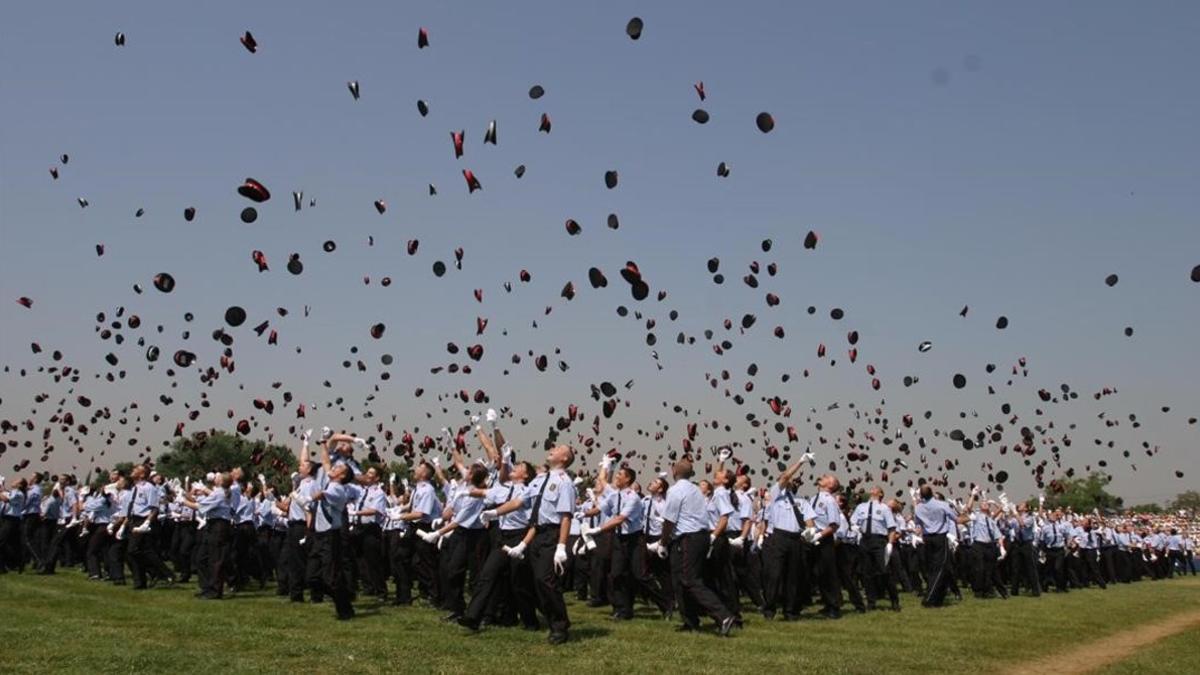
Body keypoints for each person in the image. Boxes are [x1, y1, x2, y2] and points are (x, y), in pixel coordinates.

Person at [479, 444, 577, 644]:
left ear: (565, 458)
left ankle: (560, 625)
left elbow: (566, 516)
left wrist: (561, 546)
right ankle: (545, 619)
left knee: (545, 580)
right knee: (532, 581)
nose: (553, 448)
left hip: (552, 534)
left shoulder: (564, 482)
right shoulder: (540, 480)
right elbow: (518, 502)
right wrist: (495, 512)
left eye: (559, 449)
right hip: (536, 533)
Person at [657, 456, 736, 636]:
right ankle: (690, 621)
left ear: (674, 472)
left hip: (687, 539)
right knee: (679, 581)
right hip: (699, 536)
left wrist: (663, 542)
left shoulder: (676, 491)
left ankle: (722, 615)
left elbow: (669, 520)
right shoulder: (695, 490)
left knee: (690, 580)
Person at [307, 433, 356, 619]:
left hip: (329, 536)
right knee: (316, 575)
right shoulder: (332, 480)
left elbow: (319, 495)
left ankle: (345, 610)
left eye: (338, 468)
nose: (333, 468)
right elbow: (326, 461)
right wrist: (323, 444)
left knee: (330, 577)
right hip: (321, 534)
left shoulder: (337, 490)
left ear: (342, 475)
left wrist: (305, 499)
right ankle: (344, 604)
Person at [761, 459, 816, 620]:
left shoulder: (802, 501)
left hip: (795, 540)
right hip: (779, 537)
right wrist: (801, 462)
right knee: (775, 575)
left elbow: (810, 521)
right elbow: (785, 477)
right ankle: (769, 609)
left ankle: (790, 610)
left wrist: (810, 532)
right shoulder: (775, 496)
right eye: (789, 479)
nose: (791, 481)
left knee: (793, 577)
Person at [177, 473, 234, 599]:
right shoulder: (218, 491)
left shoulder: (220, 493)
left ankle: (215, 590)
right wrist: (189, 494)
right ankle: (207, 587)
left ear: (221, 481)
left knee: (216, 560)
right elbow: (200, 501)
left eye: (218, 477)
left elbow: (199, 506)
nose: (215, 477)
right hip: (212, 525)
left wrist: (183, 501)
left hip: (219, 526)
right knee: (201, 558)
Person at [912, 483, 966, 607]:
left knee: (933, 568)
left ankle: (938, 598)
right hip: (939, 538)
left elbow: (918, 525)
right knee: (941, 567)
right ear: (932, 493)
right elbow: (957, 520)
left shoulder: (918, 508)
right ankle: (929, 598)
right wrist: (969, 518)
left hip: (927, 539)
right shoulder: (942, 505)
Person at [852, 485, 899, 611]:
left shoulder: (884, 508)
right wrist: (855, 528)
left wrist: (890, 543)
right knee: (866, 573)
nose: (872, 489)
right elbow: (853, 522)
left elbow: (891, 527)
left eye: (876, 488)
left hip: (879, 541)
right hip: (865, 540)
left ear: (880, 494)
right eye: (871, 488)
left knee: (884, 571)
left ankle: (894, 600)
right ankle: (871, 601)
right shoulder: (861, 507)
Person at [809, 474, 844, 618]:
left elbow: (834, 525)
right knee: (819, 573)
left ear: (830, 485)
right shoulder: (814, 498)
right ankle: (827, 603)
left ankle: (834, 607)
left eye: (826, 477)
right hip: (813, 539)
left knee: (829, 573)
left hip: (825, 540)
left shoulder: (829, 501)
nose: (822, 477)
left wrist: (819, 535)